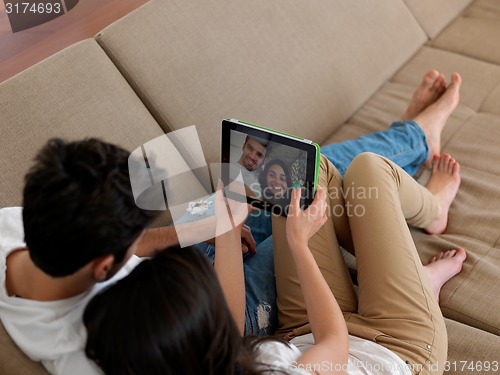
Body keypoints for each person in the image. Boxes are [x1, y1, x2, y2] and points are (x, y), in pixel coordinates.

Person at [83, 147, 466, 374]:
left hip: (300, 333)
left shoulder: (187, 363)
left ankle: (406, 279)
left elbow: (228, 326)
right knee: (370, 168)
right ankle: (432, 218)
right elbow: (336, 343)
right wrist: (298, 244)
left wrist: (227, 227)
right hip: (395, 348)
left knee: (297, 171)